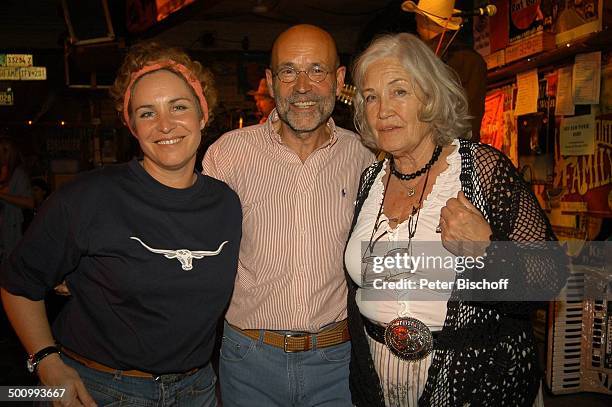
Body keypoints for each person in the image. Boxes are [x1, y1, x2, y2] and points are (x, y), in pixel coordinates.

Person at [1, 42, 241, 406]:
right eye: (147, 113)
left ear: (203, 114)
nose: (165, 125)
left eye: (179, 107)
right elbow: (18, 284)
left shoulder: (227, 203)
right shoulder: (87, 197)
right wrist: (45, 361)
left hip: (196, 389)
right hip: (96, 387)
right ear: (130, 125)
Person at [344, 33, 567, 406]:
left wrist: (486, 252)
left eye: (399, 91)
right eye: (371, 96)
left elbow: (550, 277)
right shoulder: (371, 180)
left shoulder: (480, 169)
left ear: (430, 97)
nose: (382, 110)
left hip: (476, 383)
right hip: (382, 383)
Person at [203, 24, 374, 406]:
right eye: (288, 71)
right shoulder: (227, 156)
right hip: (248, 361)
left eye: (317, 70)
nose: (302, 86)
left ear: (338, 79)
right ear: (270, 80)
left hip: (337, 362)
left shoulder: (365, 157)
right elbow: (194, 248)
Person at [401, 0, 487, 140]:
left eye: (417, 15)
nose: (415, 19)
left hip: (431, 148)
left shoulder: (421, 59)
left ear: (425, 19)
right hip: (464, 149)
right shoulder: (473, 59)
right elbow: (472, 118)